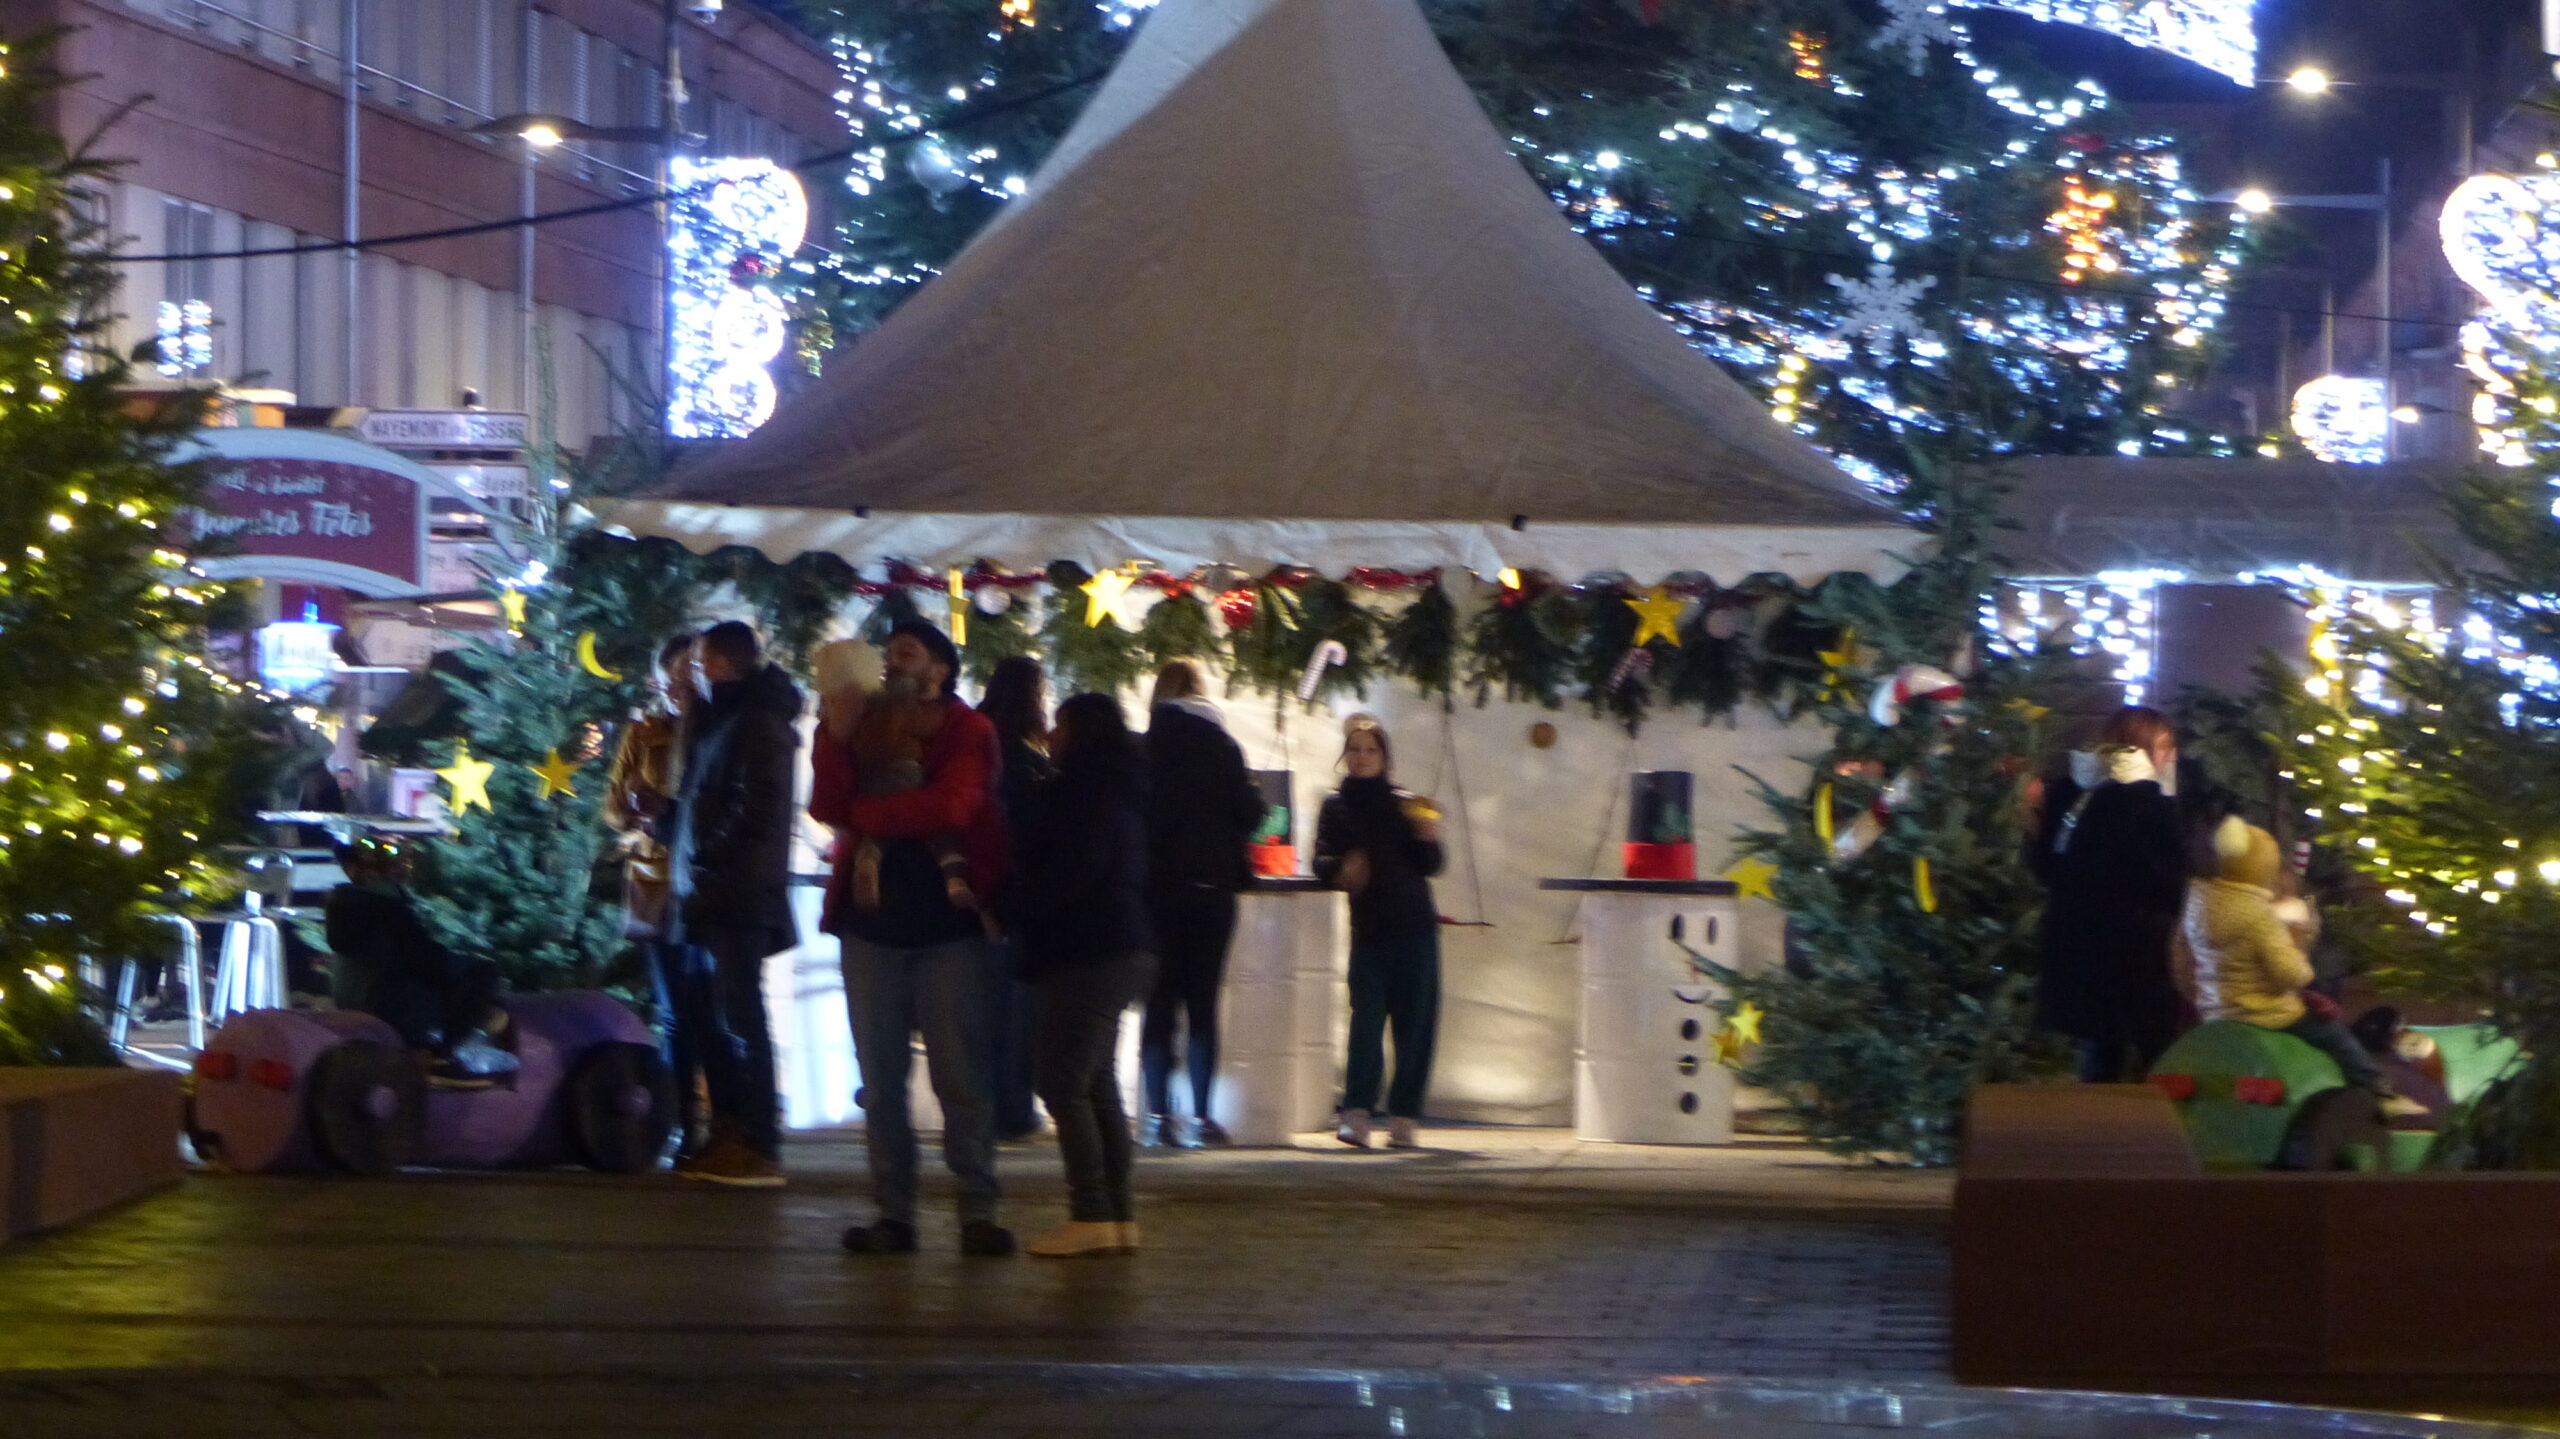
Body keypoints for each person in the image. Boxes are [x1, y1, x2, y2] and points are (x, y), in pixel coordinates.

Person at [811, 620, 1016, 1256]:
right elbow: (824, 803)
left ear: (941, 669)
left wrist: (864, 815)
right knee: (880, 1082)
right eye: (890, 653)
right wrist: (833, 734)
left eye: (909, 652)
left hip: (948, 928)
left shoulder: (968, 730)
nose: (894, 662)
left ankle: (977, 1211)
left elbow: (952, 806)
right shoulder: (857, 722)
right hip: (871, 928)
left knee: (960, 1077)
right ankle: (894, 1215)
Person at [664, 621, 804, 1187]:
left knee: (744, 1017)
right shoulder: (724, 719)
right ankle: (736, 1133)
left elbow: (757, 805)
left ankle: (761, 1145)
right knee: (722, 1014)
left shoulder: (755, 722)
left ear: (720, 664)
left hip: (737, 892)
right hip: (716, 891)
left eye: (699, 662)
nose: (693, 674)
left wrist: (706, 854)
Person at [1018, 692, 1155, 1257]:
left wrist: (1020, 905)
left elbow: (1071, 872)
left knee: (1061, 1081)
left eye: (1061, 725)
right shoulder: (1123, 788)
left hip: (1090, 950)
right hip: (1121, 947)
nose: (1051, 735)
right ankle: (1116, 1214)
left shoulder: (1084, 792)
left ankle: (1092, 1210)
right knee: (1095, 1083)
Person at [2188, 817, 2427, 1119]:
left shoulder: (2200, 903)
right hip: (2261, 1011)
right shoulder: (2258, 916)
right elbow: (2290, 974)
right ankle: (2379, 1091)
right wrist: (2301, 946)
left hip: (2216, 1009)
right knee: (2334, 1034)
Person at [1137, 659, 1266, 1148]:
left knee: (1159, 1003)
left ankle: (1156, 1116)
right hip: (1211, 888)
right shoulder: (1223, 745)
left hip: (1156, 891)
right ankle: (1203, 1115)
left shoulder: (1144, 747)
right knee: (1203, 1002)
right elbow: (1251, 814)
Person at [2032, 705, 2189, 1083]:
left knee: (2098, 1055)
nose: (2170, 757)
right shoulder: (2146, 803)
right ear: (2148, 748)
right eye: (2165, 747)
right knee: (2152, 1051)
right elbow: (2166, 881)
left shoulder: (2073, 791)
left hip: (2074, 942)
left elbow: (2046, 862)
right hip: (2131, 949)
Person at [1314, 715, 1446, 1150]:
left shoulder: (1405, 804)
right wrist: (1341, 867)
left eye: (1371, 750)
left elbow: (1431, 865)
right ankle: (1356, 1113)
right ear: (1344, 755)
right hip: (1369, 931)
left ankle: (1404, 1117)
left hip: (1415, 927)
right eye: (1354, 749)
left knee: (1415, 1027)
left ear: (1385, 758)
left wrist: (1427, 838)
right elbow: (1320, 860)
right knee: (1365, 1025)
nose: (1362, 757)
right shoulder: (1336, 806)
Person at [604, 633, 700, 1153]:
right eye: (674, 674)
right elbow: (613, 809)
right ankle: (680, 1120)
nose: (682, 683)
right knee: (673, 1010)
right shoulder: (645, 733)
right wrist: (634, 805)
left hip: (703, 882)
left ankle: (720, 1118)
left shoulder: (715, 730)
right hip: (654, 879)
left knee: (710, 1008)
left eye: (692, 672)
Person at [324, 838, 518, 1085]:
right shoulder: (388, 908)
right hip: (388, 1004)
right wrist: (471, 966)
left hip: (353, 999)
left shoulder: (345, 903)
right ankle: (444, 1057)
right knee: (482, 974)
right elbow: (428, 964)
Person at [976, 655, 1053, 1142]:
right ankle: (1012, 1108)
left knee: (984, 1010)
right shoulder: (1027, 763)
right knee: (1015, 1013)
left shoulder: (977, 745)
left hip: (976, 892)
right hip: (1017, 899)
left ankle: (986, 1106)